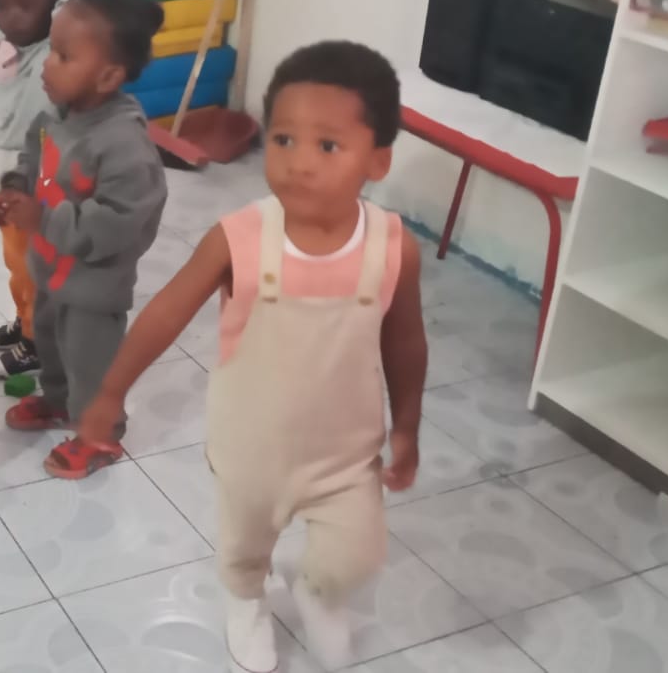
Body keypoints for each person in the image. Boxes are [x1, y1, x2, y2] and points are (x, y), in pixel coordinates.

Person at [68, 41, 428, 671]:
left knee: (356, 555)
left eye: (327, 145)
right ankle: (246, 600)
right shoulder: (239, 238)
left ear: (378, 159)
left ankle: (319, 594)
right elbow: (165, 314)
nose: (299, 163)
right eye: (284, 140)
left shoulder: (393, 246)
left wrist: (408, 425)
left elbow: (405, 341)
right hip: (250, 449)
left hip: (346, 453)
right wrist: (110, 393)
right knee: (243, 550)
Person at [0, 0, 167, 473]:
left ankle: (101, 435)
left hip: (94, 288)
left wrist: (43, 219)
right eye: (51, 49)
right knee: (49, 342)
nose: (46, 65)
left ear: (109, 76)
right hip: (52, 268)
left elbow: (121, 224)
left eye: (64, 56)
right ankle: (59, 400)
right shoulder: (54, 117)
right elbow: (31, 158)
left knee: (91, 361)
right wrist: (14, 187)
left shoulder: (124, 145)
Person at [0, 0, 87, 380]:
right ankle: (25, 318)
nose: (10, 17)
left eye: (26, 6)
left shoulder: (53, 49)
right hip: (3, 174)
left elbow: (77, 4)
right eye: (4, 4)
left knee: (34, 264)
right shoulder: (5, 40)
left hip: (34, 183)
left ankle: (37, 340)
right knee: (15, 261)